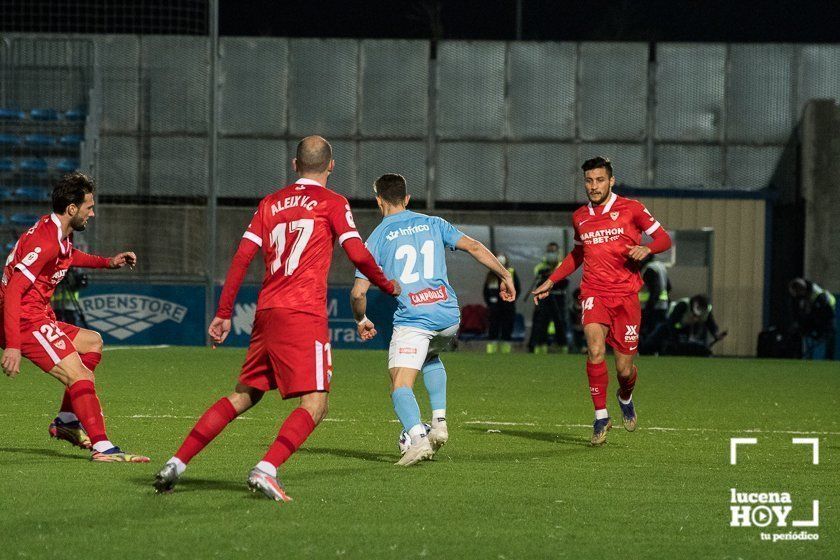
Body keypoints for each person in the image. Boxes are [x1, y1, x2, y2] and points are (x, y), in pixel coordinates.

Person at [153, 136, 400, 500]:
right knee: (316, 404)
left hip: (266, 311)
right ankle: (266, 469)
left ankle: (176, 462)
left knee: (244, 395)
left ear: (294, 164)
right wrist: (386, 284)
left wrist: (224, 312)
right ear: (331, 165)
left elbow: (240, 258)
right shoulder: (333, 202)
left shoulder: (269, 203)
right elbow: (358, 254)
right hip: (303, 312)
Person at [349, 173, 515, 466]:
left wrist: (361, 319)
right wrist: (504, 274)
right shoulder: (434, 223)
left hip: (414, 319)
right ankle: (439, 424)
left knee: (400, 384)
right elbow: (475, 247)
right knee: (430, 357)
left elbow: (358, 293)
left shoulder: (374, 239)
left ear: (378, 201)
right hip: (449, 316)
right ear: (407, 199)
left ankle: (417, 439)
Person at [1, 172, 146, 462]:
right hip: (25, 321)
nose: (92, 213)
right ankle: (103, 447)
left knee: (93, 342)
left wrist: (108, 262)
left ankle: (67, 421)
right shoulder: (46, 241)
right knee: (79, 373)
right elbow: (15, 289)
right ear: (72, 209)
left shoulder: (57, 234)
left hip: (37, 316)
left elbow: (70, 256)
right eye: (89, 207)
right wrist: (13, 345)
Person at [532, 156, 671, 445]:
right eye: (588, 180)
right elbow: (578, 255)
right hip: (594, 292)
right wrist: (551, 280)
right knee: (594, 350)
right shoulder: (580, 216)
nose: (593, 186)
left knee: (624, 370)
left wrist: (646, 249)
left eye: (599, 180)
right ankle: (600, 416)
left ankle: (625, 395)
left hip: (626, 298)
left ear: (611, 181)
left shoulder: (632, 209)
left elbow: (663, 239)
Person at [528, 242, 569, 353]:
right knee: (541, 322)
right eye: (549, 251)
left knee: (560, 322)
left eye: (553, 251)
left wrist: (553, 275)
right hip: (544, 298)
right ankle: (540, 346)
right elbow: (539, 280)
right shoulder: (541, 267)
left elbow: (564, 281)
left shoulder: (563, 265)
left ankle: (562, 346)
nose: (551, 254)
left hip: (559, 297)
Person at [788, 278, 836, 360]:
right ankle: (794, 356)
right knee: (795, 331)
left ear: (802, 289)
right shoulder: (800, 296)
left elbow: (824, 314)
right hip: (813, 318)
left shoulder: (819, 296)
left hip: (824, 318)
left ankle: (828, 359)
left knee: (829, 335)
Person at [483, 252, 519, 353]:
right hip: (494, 308)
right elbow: (486, 291)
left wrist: (510, 300)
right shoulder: (491, 274)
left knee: (507, 329)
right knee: (493, 329)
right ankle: (491, 352)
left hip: (508, 307)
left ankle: (505, 352)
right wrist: (490, 305)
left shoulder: (511, 272)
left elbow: (517, 289)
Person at [639, 254, 670, 341]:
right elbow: (668, 287)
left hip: (650, 306)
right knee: (658, 333)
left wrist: (649, 307)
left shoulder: (649, 269)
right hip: (662, 306)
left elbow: (654, 290)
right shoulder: (661, 267)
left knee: (647, 332)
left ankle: (645, 350)